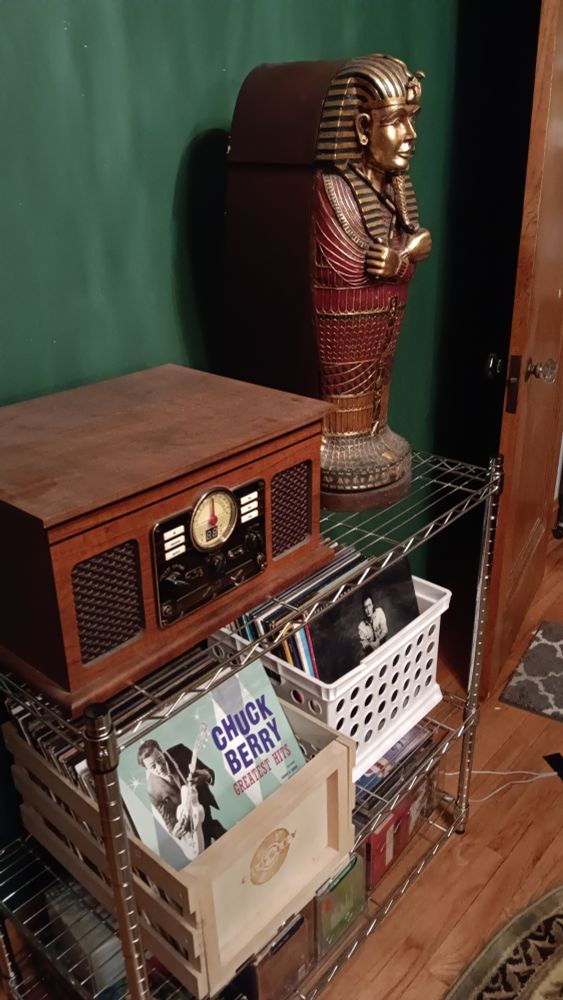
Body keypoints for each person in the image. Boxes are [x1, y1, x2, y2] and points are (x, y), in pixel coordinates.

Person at [314, 53, 432, 502]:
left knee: (379, 393)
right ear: (363, 129)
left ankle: (374, 430)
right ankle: (348, 442)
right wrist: (406, 256)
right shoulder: (333, 187)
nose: (411, 135)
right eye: (399, 121)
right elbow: (350, 269)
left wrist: (400, 257)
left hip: (381, 330)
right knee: (348, 400)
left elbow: (394, 256)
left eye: (413, 120)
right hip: (344, 338)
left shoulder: (390, 188)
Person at [137, 738, 226, 856]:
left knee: (228, 843)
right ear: (147, 769)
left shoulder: (180, 752)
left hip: (205, 811)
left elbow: (208, 771)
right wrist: (176, 831)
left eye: (160, 759)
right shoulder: (152, 790)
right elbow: (169, 820)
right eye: (153, 766)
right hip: (191, 830)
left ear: (162, 752)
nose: (159, 767)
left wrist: (206, 775)